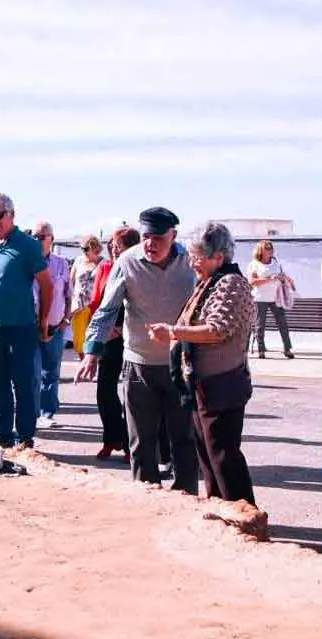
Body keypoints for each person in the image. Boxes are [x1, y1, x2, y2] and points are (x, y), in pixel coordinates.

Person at [77, 207, 199, 493]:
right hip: (138, 367)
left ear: (173, 236)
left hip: (180, 366)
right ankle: (147, 500)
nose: (150, 243)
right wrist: (93, 351)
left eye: (158, 237)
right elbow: (106, 311)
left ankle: (186, 498)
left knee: (184, 439)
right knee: (141, 442)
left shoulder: (190, 262)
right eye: (145, 236)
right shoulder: (127, 262)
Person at [148, 223, 257, 505]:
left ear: (219, 257)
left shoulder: (231, 284)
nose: (193, 263)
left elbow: (217, 329)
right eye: (192, 256)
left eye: (198, 257)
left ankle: (244, 515)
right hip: (204, 385)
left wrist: (173, 332)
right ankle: (222, 510)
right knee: (209, 455)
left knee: (223, 456)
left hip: (223, 384)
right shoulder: (212, 282)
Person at [0, 193, 53, 449]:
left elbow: (46, 285)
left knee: (22, 382)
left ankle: (25, 437)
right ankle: (4, 434)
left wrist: (44, 319)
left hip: (21, 327)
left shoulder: (28, 245)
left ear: (11, 214)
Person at [90, 226, 136, 460]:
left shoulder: (138, 268)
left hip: (130, 338)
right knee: (105, 391)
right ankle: (111, 438)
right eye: (113, 246)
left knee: (132, 393)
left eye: (119, 246)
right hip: (108, 338)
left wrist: (120, 328)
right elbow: (98, 302)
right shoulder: (105, 267)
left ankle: (131, 445)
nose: (114, 250)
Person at [32, 222, 73, 429]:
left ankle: (47, 414)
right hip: (31, 328)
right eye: (35, 236)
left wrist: (66, 319)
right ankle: (32, 414)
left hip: (55, 326)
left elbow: (68, 294)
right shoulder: (27, 263)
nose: (38, 240)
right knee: (33, 372)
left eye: (42, 236)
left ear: (51, 239)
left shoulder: (61, 264)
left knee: (51, 373)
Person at [248, 240, 295, 359]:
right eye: (267, 248)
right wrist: (270, 279)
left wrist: (283, 279)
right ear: (261, 251)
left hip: (276, 298)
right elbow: (252, 282)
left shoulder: (276, 262)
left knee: (282, 323)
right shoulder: (254, 264)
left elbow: (282, 277)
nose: (270, 250)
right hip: (260, 298)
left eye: (271, 248)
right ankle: (261, 350)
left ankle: (287, 348)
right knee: (260, 325)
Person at [70, 235, 103, 361]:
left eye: (85, 248)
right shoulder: (78, 261)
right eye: (81, 248)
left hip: (96, 306)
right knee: (79, 339)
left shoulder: (103, 262)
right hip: (79, 305)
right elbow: (71, 281)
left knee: (94, 337)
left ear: (94, 248)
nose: (83, 251)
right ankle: (83, 362)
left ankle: (92, 364)